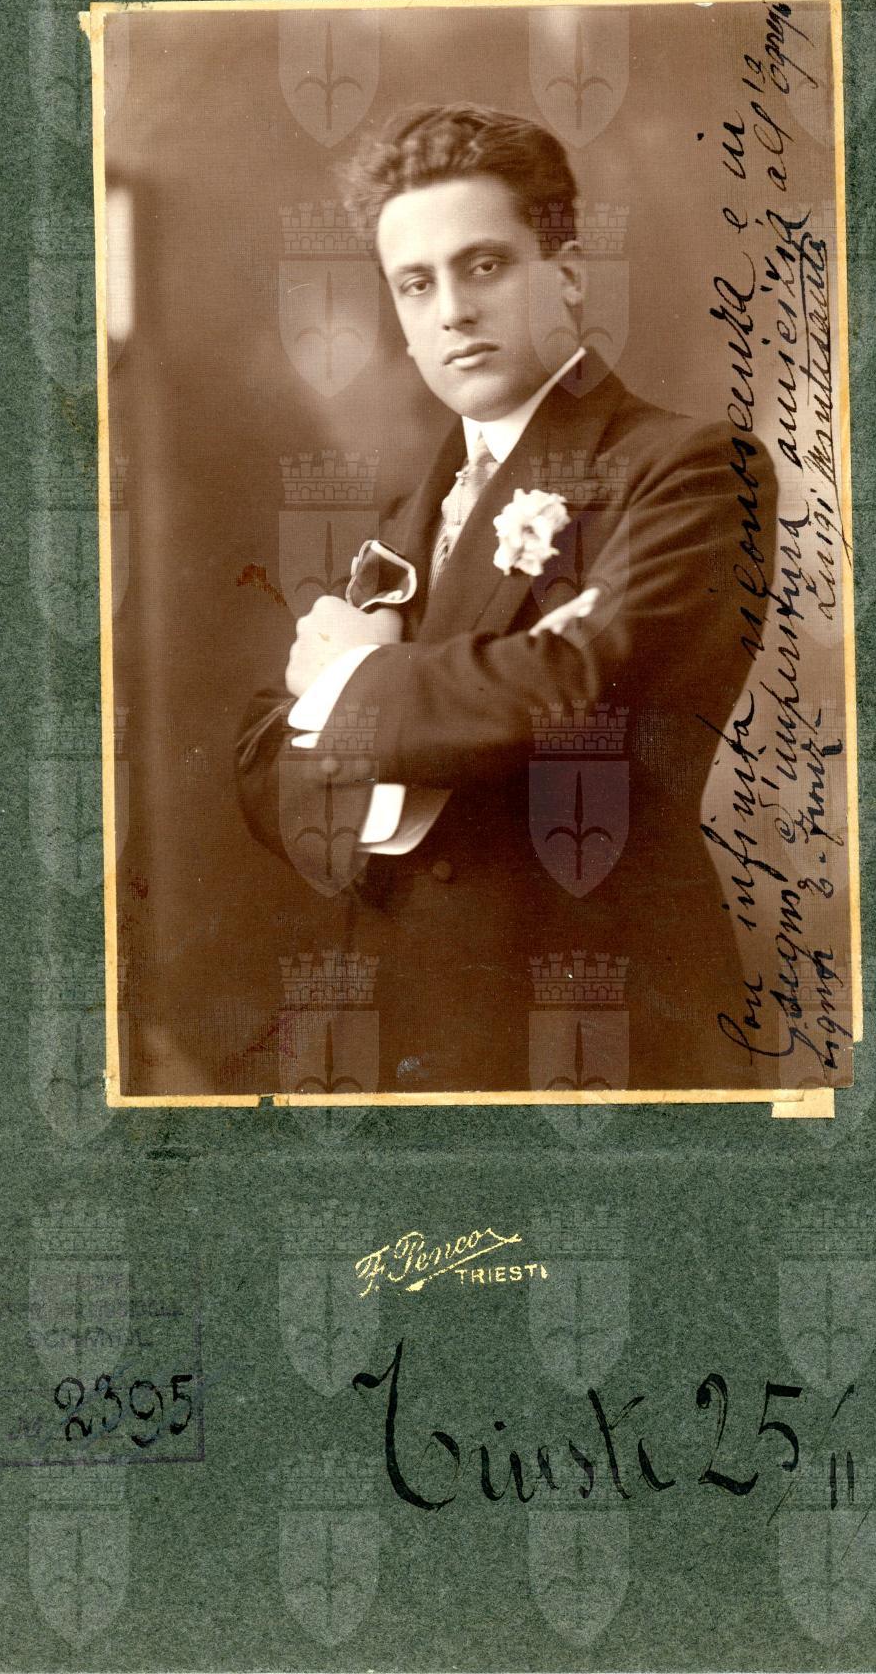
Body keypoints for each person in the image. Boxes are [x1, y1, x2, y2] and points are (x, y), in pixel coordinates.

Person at [236, 104, 777, 1093]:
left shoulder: (691, 468)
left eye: (482, 265)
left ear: (565, 274)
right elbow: (262, 764)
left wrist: (348, 680)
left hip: (597, 1017)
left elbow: (576, 691)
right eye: (416, 283)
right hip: (402, 1029)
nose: (450, 310)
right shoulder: (405, 517)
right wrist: (449, 697)